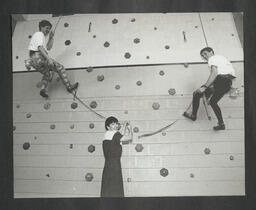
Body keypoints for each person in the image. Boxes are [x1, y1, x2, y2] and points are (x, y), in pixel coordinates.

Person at [183, 47, 236, 130]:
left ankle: (193, 115)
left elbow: (214, 73)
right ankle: (221, 124)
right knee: (213, 102)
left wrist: (204, 87)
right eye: (202, 55)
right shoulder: (222, 58)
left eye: (205, 53)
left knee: (196, 93)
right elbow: (226, 74)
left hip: (221, 81)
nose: (204, 56)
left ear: (211, 52)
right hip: (227, 84)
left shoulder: (212, 58)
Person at [25, 20, 78, 98]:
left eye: (49, 29)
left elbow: (48, 48)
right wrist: (48, 59)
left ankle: (43, 89)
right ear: (41, 27)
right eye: (47, 28)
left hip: (34, 61)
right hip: (38, 56)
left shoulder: (39, 37)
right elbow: (40, 48)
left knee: (48, 74)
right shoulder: (39, 34)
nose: (48, 30)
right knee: (60, 68)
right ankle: (69, 87)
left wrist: (51, 37)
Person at [100, 116, 132, 197]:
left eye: (116, 124)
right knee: (116, 189)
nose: (115, 125)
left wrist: (124, 126)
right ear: (108, 127)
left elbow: (120, 135)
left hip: (108, 165)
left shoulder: (107, 135)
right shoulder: (113, 134)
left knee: (108, 189)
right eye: (113, 124)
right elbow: (129, 137)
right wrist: (130, 128)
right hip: (114, 165)